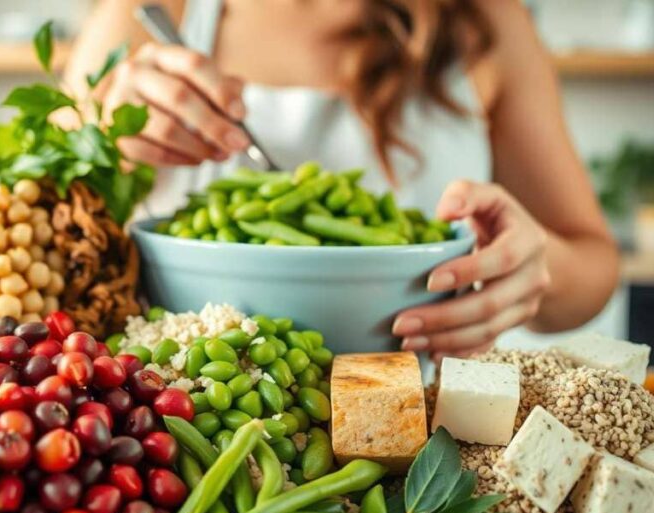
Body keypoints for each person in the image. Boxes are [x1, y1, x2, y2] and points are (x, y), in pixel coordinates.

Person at [63, 0, 619, 357]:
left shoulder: (489, 20)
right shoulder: (146, 13)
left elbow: (594, 265)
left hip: (425, 435)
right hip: (188, 424)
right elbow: (35, 214)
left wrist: (531, 270)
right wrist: (105, 137)